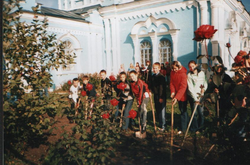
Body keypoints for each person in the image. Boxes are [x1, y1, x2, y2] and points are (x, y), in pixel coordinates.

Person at [187, 60, 208, 132]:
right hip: (193, 96)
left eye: (193, 66)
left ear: (196, 65)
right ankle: (194, 128)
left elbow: (205, 82)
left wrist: (204, 89)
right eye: (190, 67)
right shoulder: (189, 75)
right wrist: (195, 98)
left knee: (201, 112)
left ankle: (201, 127)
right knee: (194, 113)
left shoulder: (201, 73)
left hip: (201, 95)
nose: (191, 68)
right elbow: (190, 88)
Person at [129, 70, 150, 136]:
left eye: (133, 76)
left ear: (136, 75)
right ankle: (140, 126)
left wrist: (139, 102)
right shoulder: (132, 83)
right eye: (130, 76)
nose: (132, 77)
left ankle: (144, 126)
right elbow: (136, 94)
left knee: (143, 109)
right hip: (139, 97)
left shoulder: (140, 83)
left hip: (145, 95)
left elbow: (141, 93)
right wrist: (137, 101)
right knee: (140, 111)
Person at [170, 61, 188, 134]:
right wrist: (173, 92)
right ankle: (185, 124)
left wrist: (177, 97)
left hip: (183, 95)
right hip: (177, 94)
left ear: (179, 67)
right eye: (173, 68)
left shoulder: (183, 74)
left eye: (175, 68)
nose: (174, 70)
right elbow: (171, 83)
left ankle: (183, 129)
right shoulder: (172, 73)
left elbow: (183, 87)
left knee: (183, 111)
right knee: (181, 109)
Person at [151, 62, 167, 131]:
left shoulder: (161, 77)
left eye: (156, 68)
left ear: (159, 68)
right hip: (156, 95)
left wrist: (161, 97)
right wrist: (150, 90)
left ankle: (163, 125)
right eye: (154, 68)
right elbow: (151, 85)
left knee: (162, 111)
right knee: (157, 110)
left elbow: (161, 88)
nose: (154, 69)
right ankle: (160, 124)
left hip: (161, 95)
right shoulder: (153, 76)